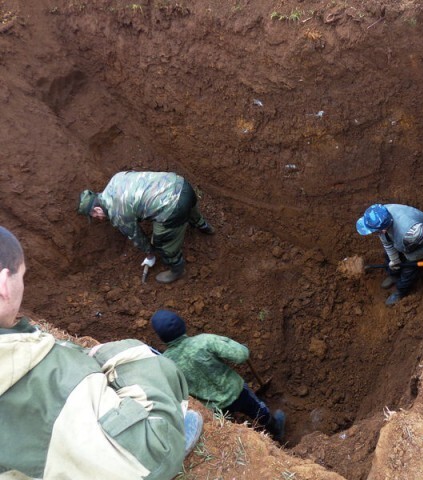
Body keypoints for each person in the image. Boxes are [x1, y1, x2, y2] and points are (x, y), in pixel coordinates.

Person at [0, 226, 203, 479]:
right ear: (3, 286)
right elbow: (237, 353)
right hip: (137, 460)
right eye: (22, 276)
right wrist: (112, 354)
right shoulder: (56, 383)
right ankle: (170, 433)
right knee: (139, 356)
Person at [150, 309, 286, 443]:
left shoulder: (167, 363)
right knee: (257, 410)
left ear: (161, 338)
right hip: (236, 392)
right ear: (182, 324)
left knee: (229, 426)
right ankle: (275, 429)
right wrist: (242, 348)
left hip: (213, 406)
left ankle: (244, 439)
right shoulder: (204, 341)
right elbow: (241, 355)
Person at [77, 171, 215, 284]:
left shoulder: (116, 213)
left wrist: (150, 253)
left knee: (162, 242)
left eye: (94, 216)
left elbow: (137, 236)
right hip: (181, 184)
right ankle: (202, 225)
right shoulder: (115, 179)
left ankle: (177, 269)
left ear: (96, 210)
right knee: (187, 207)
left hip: (173, 206)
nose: (98, 219)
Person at [356, 203, 423, 306]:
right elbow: (386, 242)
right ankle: (394, 275)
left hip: (419, 245)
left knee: (408, 272)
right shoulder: (380, 215)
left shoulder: (412, 233)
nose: (373, 233)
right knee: (388, 258)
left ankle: (400, 292)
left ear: (383, 230)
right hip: (400, 240)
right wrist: (394, 260)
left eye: (374, 232)